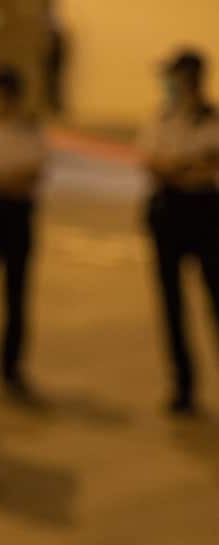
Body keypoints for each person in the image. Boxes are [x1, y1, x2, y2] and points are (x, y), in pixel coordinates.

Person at [138, 49, 219, 415]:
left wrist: (180, 166)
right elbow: (152, 163)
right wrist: (189, 165)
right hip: (168, 215)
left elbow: (208, 167)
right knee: (172, 307)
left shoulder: (212, 120)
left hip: (205, 215)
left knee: (215, 302)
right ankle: (183, 386)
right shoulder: (161, 118)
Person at [0, 65, 46, 399]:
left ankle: (10, 366)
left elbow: (31, 175)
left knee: (15, 297)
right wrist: (1, 182)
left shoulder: (29, 129)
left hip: (17, 218)